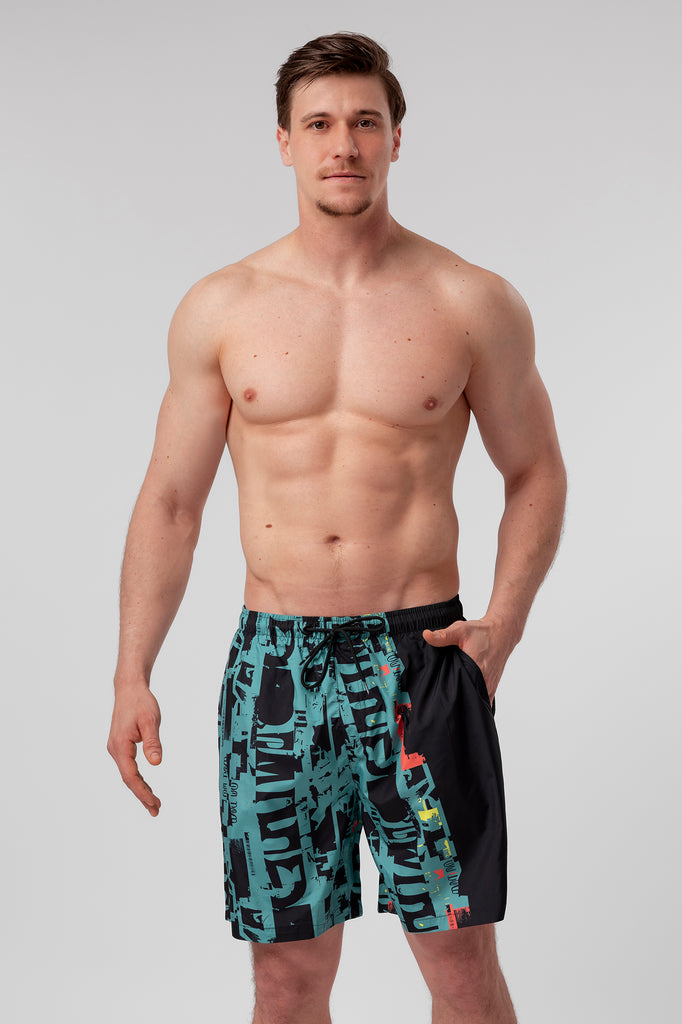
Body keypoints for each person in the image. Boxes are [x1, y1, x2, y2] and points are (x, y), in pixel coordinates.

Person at [107, 31, 566, 1024]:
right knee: (286, 978)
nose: (343, 144)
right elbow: (172, 502)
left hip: (422, 661)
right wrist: (131, 670)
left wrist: (504, 623)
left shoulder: (469, 300)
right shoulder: (221, 308)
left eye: (364, 122)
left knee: (459, 965)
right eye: (319, 124)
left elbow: (535, 471)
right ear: (284, 142)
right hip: (275, 668)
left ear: (397, 137)